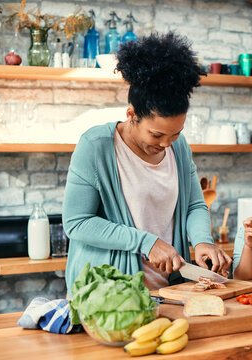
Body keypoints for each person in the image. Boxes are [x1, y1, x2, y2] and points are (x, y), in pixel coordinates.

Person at [63, 32, 231, 295]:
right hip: (110, 293)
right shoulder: (96, 146)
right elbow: (77, 222)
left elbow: (195, 204)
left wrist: (202, 242)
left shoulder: (179, 147)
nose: (166, 144)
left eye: (175, 133)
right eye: (156, 134)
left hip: (170, 292)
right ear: (132, 114)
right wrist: (147, 242)